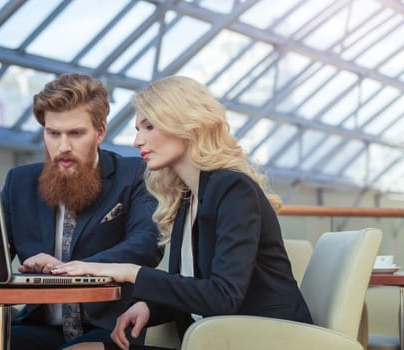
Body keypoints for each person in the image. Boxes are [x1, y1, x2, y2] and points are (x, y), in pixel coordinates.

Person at [52, 76, 313, 350]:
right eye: (138, 128)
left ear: (186, 125)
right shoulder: (187, 196)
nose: (137, 140)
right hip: (218, 339)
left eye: (149, 127)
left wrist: (129, 271)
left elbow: (222, 297)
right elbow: (195, 288)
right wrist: (148, 308)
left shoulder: (234, 188)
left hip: (263, 341)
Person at [0, 73, 163, 350]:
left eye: (75, 133)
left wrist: (68, 270)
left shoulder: (133, 175)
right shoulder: (19, 182)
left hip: (109, 327)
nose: (63, 147)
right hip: (40, 325)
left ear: (100, 131)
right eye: (53, 133)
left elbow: (146, 245)